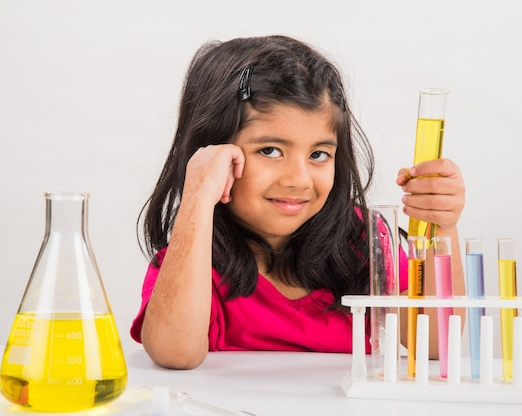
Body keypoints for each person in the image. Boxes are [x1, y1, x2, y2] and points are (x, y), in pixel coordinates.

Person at [130, 35, 465, 370]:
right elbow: (174, 353)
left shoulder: (362, 242)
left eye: (319, 154)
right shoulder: (194, 262)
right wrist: (198, 197)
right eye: (270, 151)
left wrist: (443, 226)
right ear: (214, 153)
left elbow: (436, 343)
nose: (299, 179)